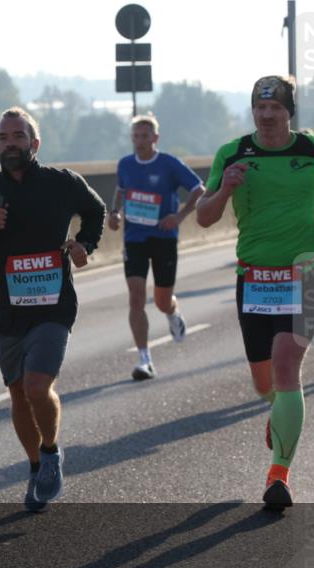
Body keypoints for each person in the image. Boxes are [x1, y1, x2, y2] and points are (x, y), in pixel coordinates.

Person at [196, 75, 314, 511]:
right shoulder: (232, 153)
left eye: (275, 107)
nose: (266, 115)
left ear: (288, 111)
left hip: (304, 275)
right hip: (255, 279)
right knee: (266, 384)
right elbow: (204, 218)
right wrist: (226, 188)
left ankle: (279, 474)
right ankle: (278, 411)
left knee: (286, 367)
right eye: (260, 107)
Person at [0, 107, 105, 512]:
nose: (10, 144)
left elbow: (96, 212)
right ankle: (37, 465)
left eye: (18, 136)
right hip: (8, 310)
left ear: (34, 143)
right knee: (19, 395)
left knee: (38, 386)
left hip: (54, 305)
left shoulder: (61, 183)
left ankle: (52, 450)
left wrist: (83, 245)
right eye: (3, 138)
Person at [106, 114, 206, 380]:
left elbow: (199, 190)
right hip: (135, 239)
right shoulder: (125, 164)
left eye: (145, 136)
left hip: (164, 237)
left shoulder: (169, 164)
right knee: (136, 297)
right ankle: (144, 359)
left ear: (155, 138)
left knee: (161, 300)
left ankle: (173, 312)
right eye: (136, 136)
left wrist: (179, 216)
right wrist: (114, 213)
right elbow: (121, 189)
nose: (140, 141)